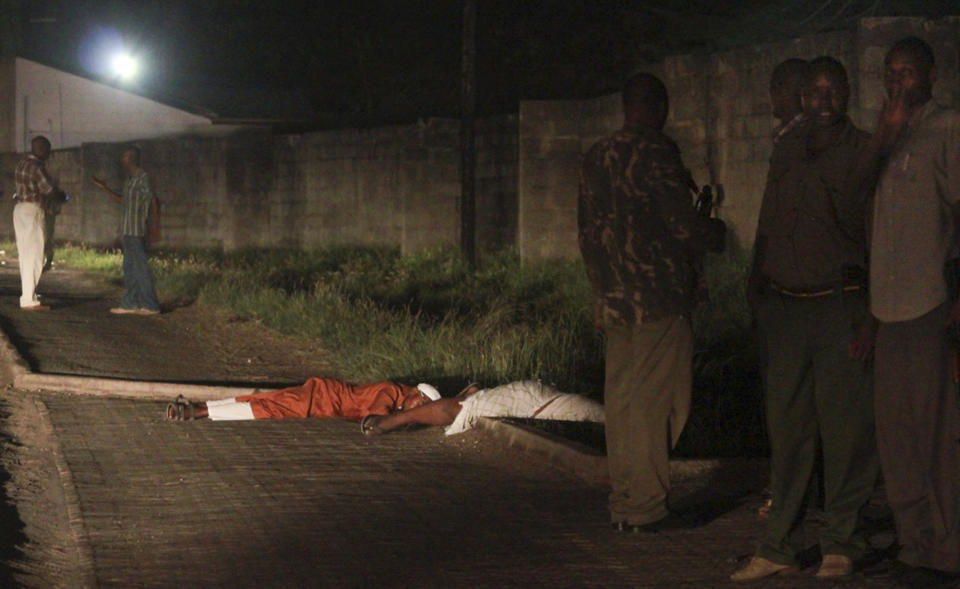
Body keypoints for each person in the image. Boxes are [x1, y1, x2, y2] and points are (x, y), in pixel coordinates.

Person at [731, 57, 878, 582]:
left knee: (845, 431)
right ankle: (780, 546)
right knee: (787, 431)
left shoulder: (863, 152)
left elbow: (877, 237)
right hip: (786, 308)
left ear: (847, 93)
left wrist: (869, 317)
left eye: (833, 91)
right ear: (802, 99)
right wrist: (755, 285)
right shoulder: (787, 149)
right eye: (814, 92)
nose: (823, 101)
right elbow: (768, 222)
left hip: (839, 303)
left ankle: (841, 541)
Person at [577, 72, 725, 533]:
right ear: (661, 109)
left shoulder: (598, 155)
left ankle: (625, 500)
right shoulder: (658, 152)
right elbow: (682, 225)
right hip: (659, 296)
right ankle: (647, 506)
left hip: (616, 300)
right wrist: (715, 234)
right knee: (659, 402)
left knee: (621, 401)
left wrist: (600, 291)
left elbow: (586, 233)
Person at [854, 37, 960, 587]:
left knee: (937, 436)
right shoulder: (886, 135)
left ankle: (947, 549)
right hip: (886, 308)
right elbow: (857, 202)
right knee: (896, 439)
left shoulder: (948, 128)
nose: (899, 82)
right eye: (891, 74)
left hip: (929, 303)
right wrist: (885, 134)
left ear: (932, 76)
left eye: (910, 73)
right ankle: (915, 543)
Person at [360, 380, 605, 435]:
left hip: (535, 400)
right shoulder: (471, 403)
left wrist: (392, 421)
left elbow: (450, 409)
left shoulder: (462, 408)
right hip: (533, 399)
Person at [166, 377, 441, 421]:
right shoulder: (393, 392)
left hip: (324, 397)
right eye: (421, 406)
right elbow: (377, 420)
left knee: (266, 401)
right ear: (416, 394)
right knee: (269, 408)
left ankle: (198, 409)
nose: (417, 410)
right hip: (324, 397)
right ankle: (197, 412)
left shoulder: (398, 395)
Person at [90, 145, 161, 315]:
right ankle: (130, 303)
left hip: (137, 229)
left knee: (140, 267)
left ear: (132, 158)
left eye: (124, 157)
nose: (121, 160)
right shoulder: (130, 180)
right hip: (128, 229)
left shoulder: (143, 178)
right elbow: (124, 201)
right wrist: (104, 188)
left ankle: (150, 305)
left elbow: (153, 201)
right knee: (130, 268)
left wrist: (155, 227)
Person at [13, 136, 63, 311]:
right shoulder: (37, 167)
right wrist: (61, 196)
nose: (49, 154)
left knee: (25, 255)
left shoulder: (22, 164)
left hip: (20, 209)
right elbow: (48, 191)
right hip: (32, 210)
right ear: (42, 149)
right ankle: (28, 300)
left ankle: (29, 294)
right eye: (48, 150)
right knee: (35, 255)